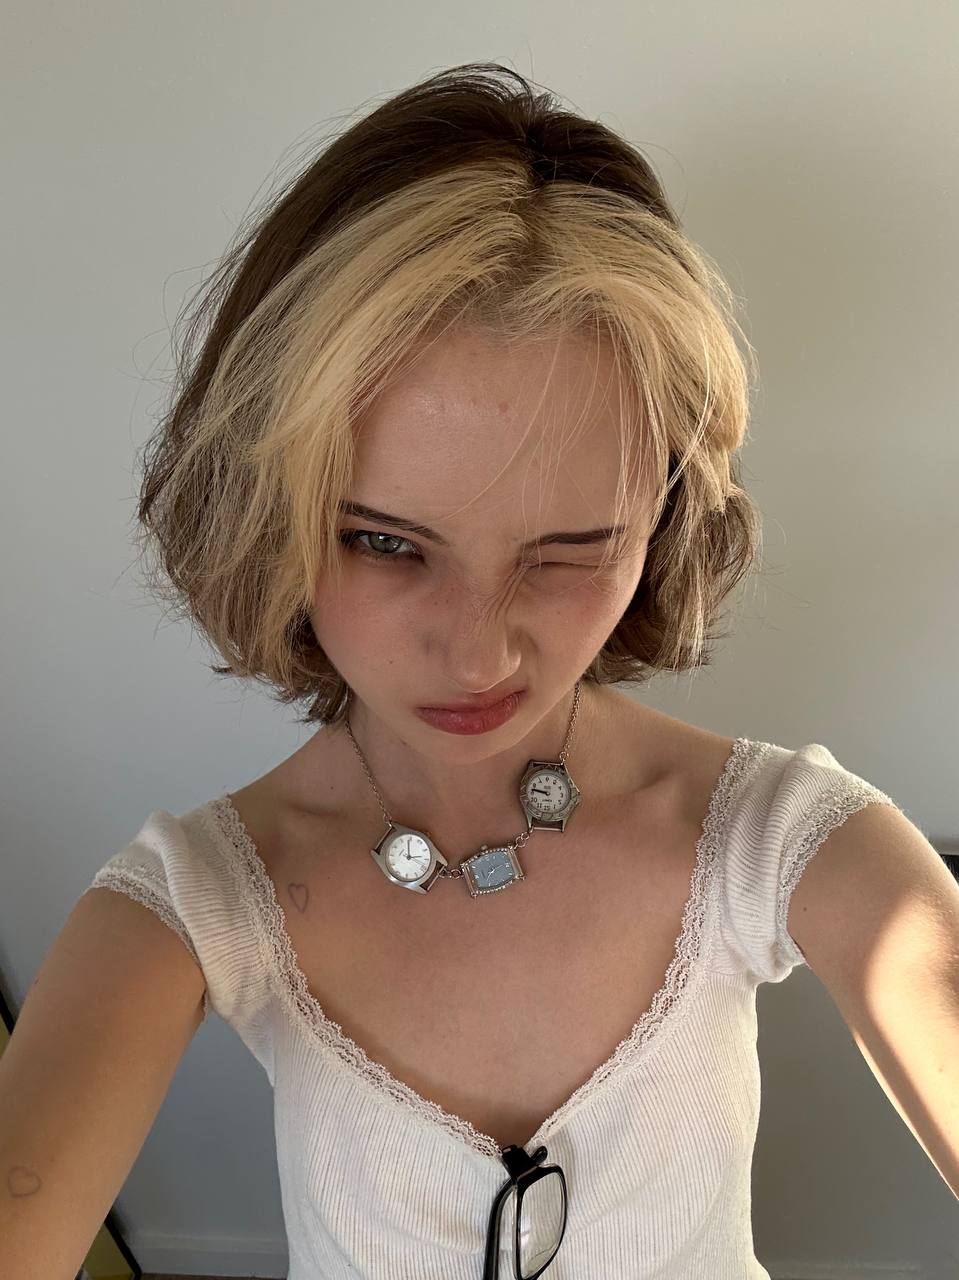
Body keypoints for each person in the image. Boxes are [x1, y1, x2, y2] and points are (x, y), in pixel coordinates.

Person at [4, 61, 940, 1280]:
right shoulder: (198, 901)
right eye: (384, 542)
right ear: (266, 510)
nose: (479, 650)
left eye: (567, 550)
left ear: (660, 518)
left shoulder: (777, 839)